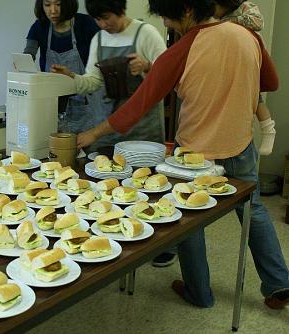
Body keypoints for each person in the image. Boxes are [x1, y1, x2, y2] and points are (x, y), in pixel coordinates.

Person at [77, 0, 289, 309]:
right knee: (252, 210)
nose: (164, 23)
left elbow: (139, 104)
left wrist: (93, 134)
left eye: (167, 15)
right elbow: (271, 82)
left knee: (189, 221)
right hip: (239, 143)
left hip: (195, 153)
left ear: (187, 9)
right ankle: (279, 282)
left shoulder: (183, 48)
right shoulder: (248, 36)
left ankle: (199, 293)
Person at [51, 0, 167, 150]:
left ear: (121, 9)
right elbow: (93, 81)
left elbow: (167, 75)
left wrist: (147, 66)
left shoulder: (145, 33)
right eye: (97, 19)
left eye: (106, 17)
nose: (103, 24)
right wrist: (71, 76)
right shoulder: (99, 40)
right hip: (108, 129)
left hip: (143, 131)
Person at [24, 0, 100, 134]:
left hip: (85, 100)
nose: (52, 10)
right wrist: (23, 63)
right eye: (47, 5)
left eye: (58, 4)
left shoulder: (86, 23)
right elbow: (29, 53)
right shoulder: (39, 26)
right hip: (52, 103)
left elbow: (101, 58)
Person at [214, 0, 276, 156]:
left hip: (251, 58)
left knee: (257, 99)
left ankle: (269, 130)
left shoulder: (246, 7)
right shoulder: (214, 14)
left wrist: (230, 22)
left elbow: (258, 22)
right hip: (230, 58)